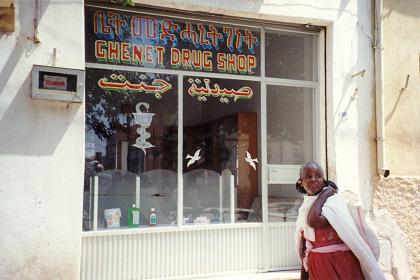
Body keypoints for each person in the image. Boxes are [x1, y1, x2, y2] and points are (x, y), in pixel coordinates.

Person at [295, 162, 385, 280]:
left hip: (341, 264)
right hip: (318, 265)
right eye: (308, 176)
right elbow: (304, 245)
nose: (313, 179)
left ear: (324, 180)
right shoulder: (305, 207)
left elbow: (314, 221)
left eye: (318, 176)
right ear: (300, 182)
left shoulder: (333, 202)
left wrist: (324, 195)